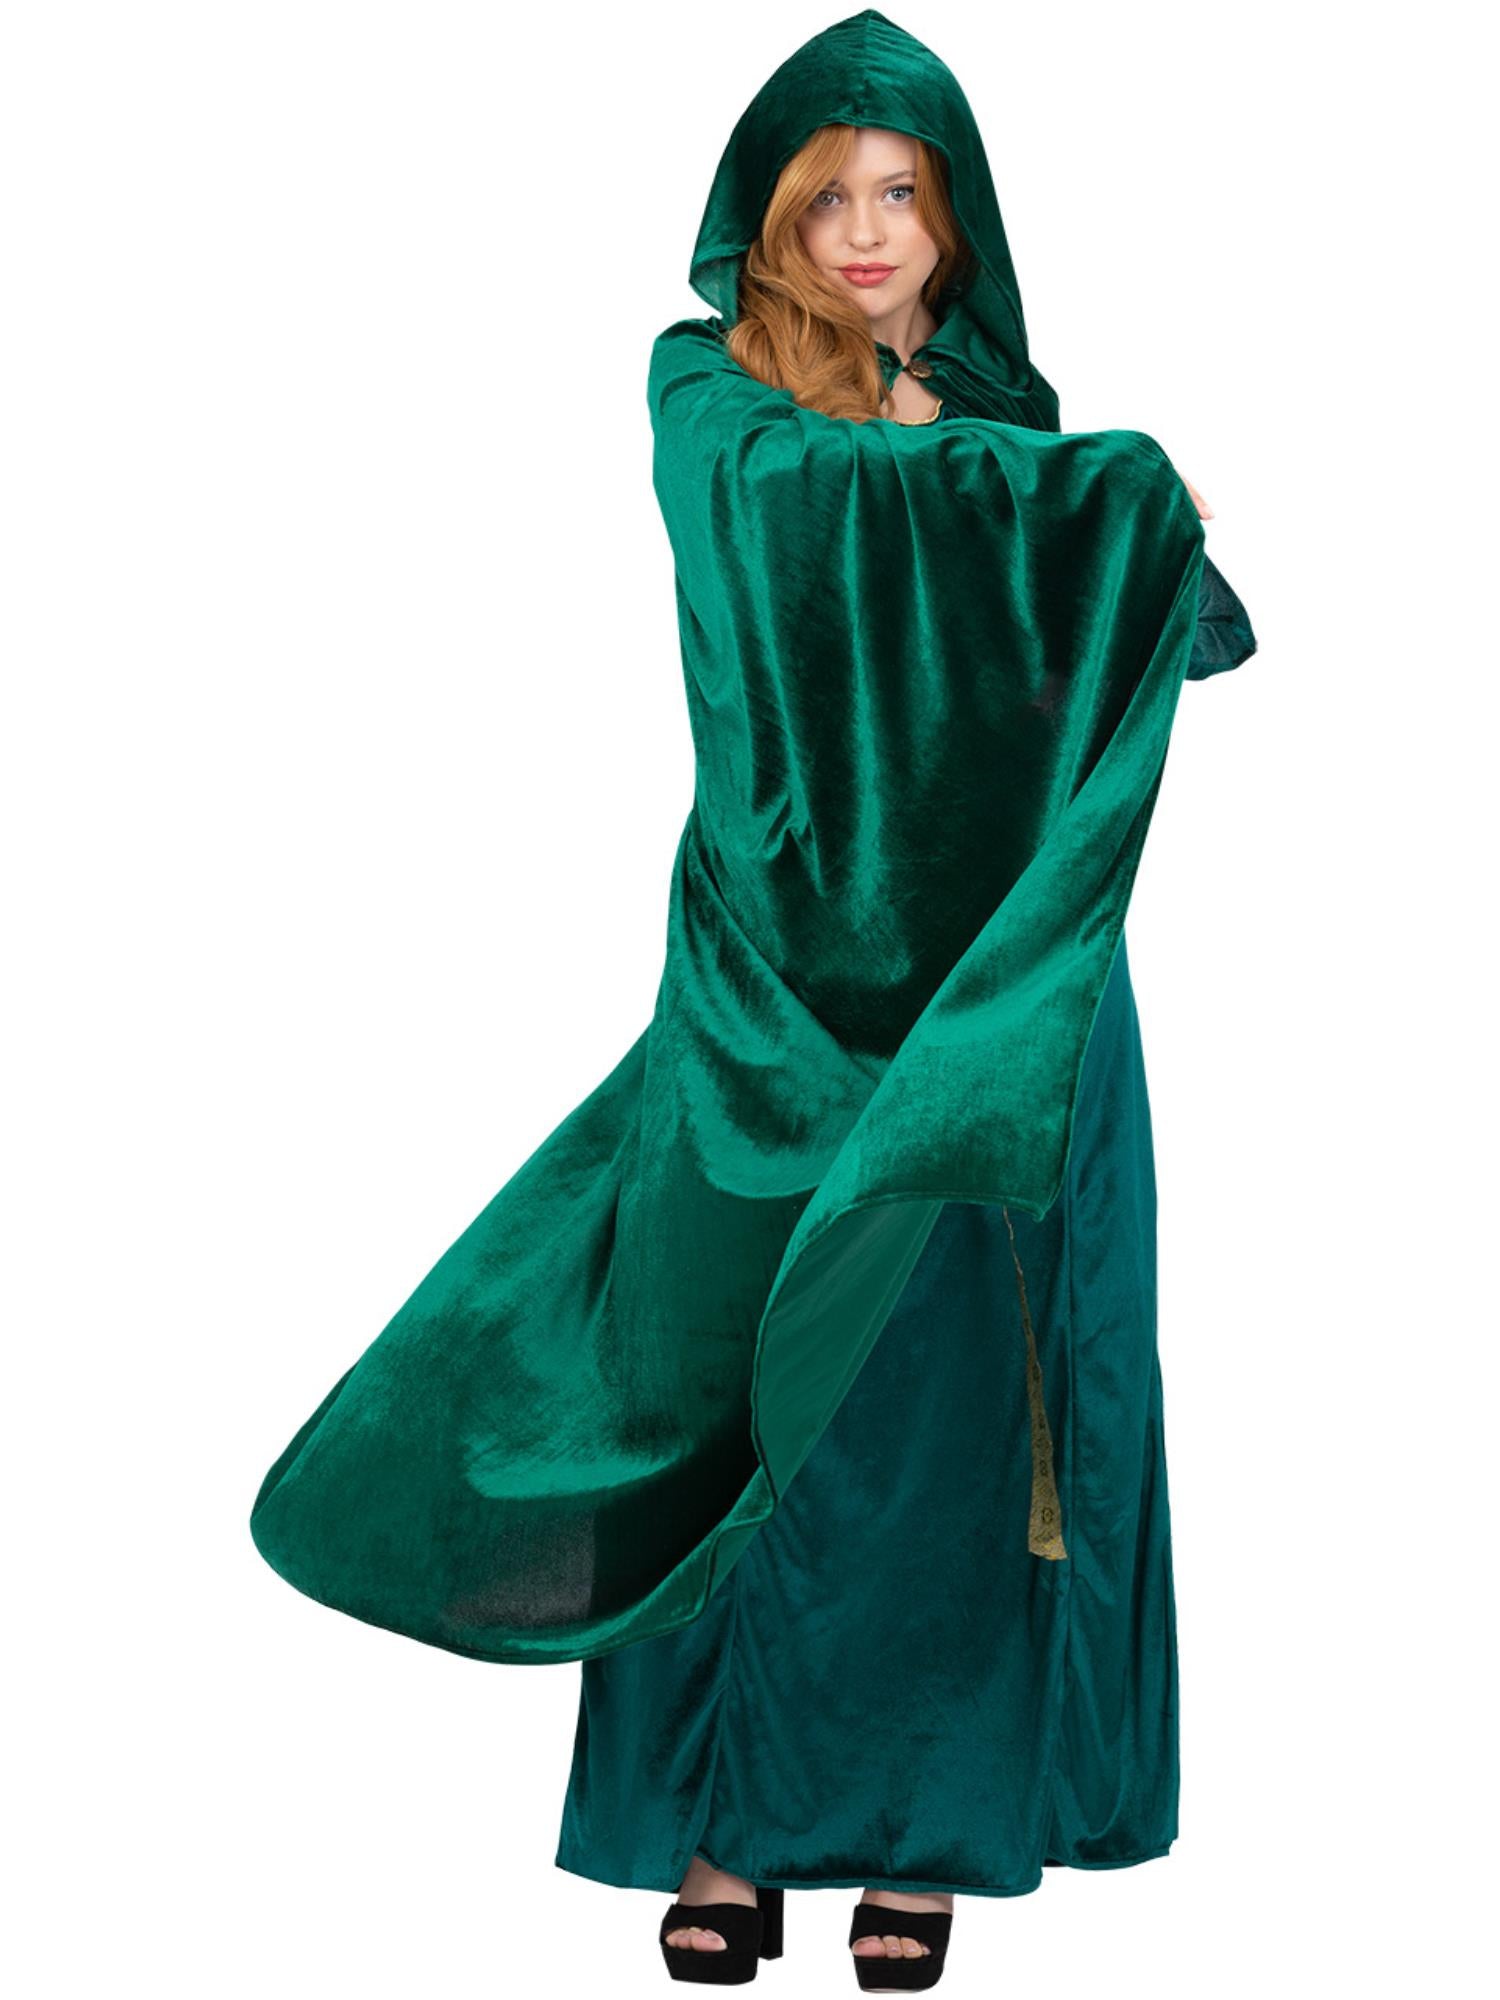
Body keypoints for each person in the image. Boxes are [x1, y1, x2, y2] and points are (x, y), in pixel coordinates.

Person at [250, 10, 1255, 1991]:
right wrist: (1079, 497)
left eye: (905, 195)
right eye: (827, 199)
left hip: (982, 1015)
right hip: (769, 1003)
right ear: (769, 220)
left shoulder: (1011, 424)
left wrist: (1142, 523)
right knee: (733, 1392)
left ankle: (926, 1840)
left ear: (956, 221)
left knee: (949, 1414)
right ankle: (721, 1831)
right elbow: (797, 516)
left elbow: (1153, 645)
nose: (869, 234)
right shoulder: (708, 392)